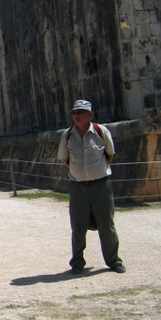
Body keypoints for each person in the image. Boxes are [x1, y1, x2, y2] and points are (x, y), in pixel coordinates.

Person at [57, 99, 125, 275]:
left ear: (89, 115)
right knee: (78, 227)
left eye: (80, 112)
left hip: (101, 185)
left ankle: (113, 261)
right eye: (74, 112)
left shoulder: (101, 132)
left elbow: (109, 155)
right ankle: (77, 263)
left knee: (106, 225)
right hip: (78, 187)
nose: (76, 115)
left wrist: (95, 172)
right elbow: (65, 159)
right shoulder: (67, 135)